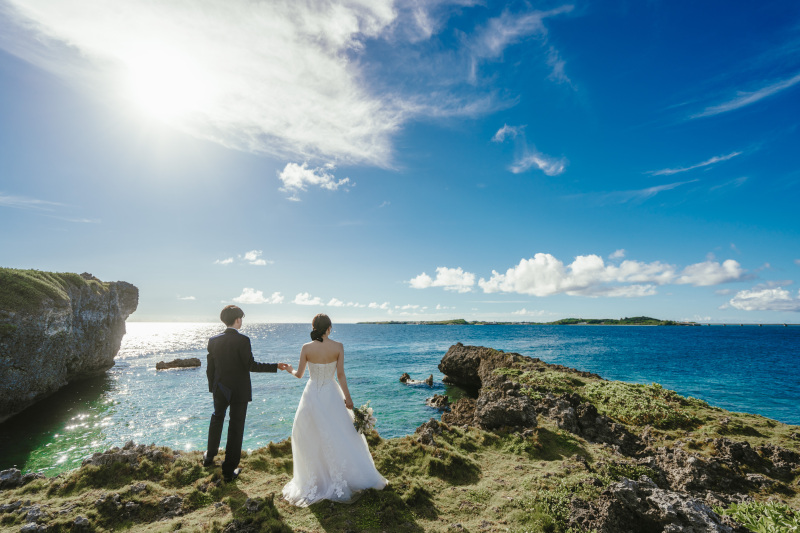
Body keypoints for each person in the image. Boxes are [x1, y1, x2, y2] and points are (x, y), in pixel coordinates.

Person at [281, 314, 387, 506]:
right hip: (332, 394)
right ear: (329, 327)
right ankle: (341, 475)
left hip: (312, 394)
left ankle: (316, 478)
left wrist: (289, 369)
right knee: (339, 433)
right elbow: (340, 375)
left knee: (309, 434)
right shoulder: (338, 346)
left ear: (314, 326)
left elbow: (299, 375)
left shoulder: (306, 347)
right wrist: (348, 398)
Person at [204, 305, 288, 482]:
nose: (241, 321)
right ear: (237, 320)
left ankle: (209, 457)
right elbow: (251, 365)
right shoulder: (243, 340)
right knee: (236, 427)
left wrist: (213, 388)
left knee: (216, 418)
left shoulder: (213, 340)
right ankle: (228, 471)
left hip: (220, 388)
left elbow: (210, 369)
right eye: (241, 318)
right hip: (239, 391)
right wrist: (275, 366)